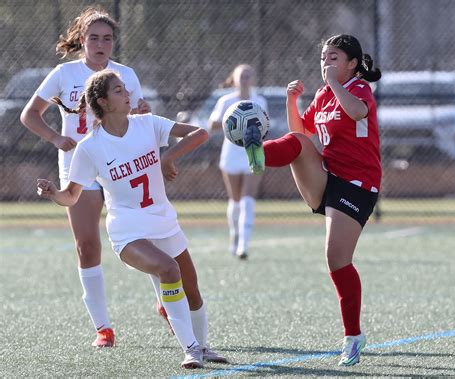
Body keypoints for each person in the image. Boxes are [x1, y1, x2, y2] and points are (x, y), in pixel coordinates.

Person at [36, 69, 228, 368]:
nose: (127, 94)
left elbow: (200, 133)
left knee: (192, 288)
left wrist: (168, 156)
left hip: (163, 219)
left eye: (125, 89)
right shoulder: (90, 147)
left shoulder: (147, 124)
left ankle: (202, 347)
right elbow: (71, 196)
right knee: (168, 269)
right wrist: (53, 193)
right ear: (103, 102)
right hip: (128, 230)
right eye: (119, 91)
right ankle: (190, 349)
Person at [20, 6, 170, 348]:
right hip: (80, 163)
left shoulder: (125, 74)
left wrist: (142, 111)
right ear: (82, 41)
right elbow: (30, 115)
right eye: (94, 38)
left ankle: (165, 302)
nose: (101, 44)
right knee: (87, 246)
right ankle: (103, 328)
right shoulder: (64, 73)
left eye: (107, 38)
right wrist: (57, 138)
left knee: (144, 234)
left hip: (121, 162)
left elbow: (134, 114)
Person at [243, 34, 382, 366]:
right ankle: (257, 154)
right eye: (323, 57)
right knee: (298, 144)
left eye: (334, 58)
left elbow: (358, 112)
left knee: (336, 258)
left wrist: (335, 83)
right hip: (328, 177)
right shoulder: (321, 94)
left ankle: (353, 337)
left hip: (357, 185)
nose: (326, 63)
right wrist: (292, 100)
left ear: (352, 63)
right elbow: (302, 134)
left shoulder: (359, 89)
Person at [208, 64, 268, 260]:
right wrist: (232, 120)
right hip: (231, 155)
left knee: (247, 201)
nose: (245, 79)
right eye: (242, 76)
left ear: (253, 79)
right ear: (234, 79)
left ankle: (244, 244)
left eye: (249, 75)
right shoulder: (226, 101)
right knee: (235, 201)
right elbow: (213, 124)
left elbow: (264, 126)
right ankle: (234, 236)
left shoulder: (259, 101)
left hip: (252, 153)